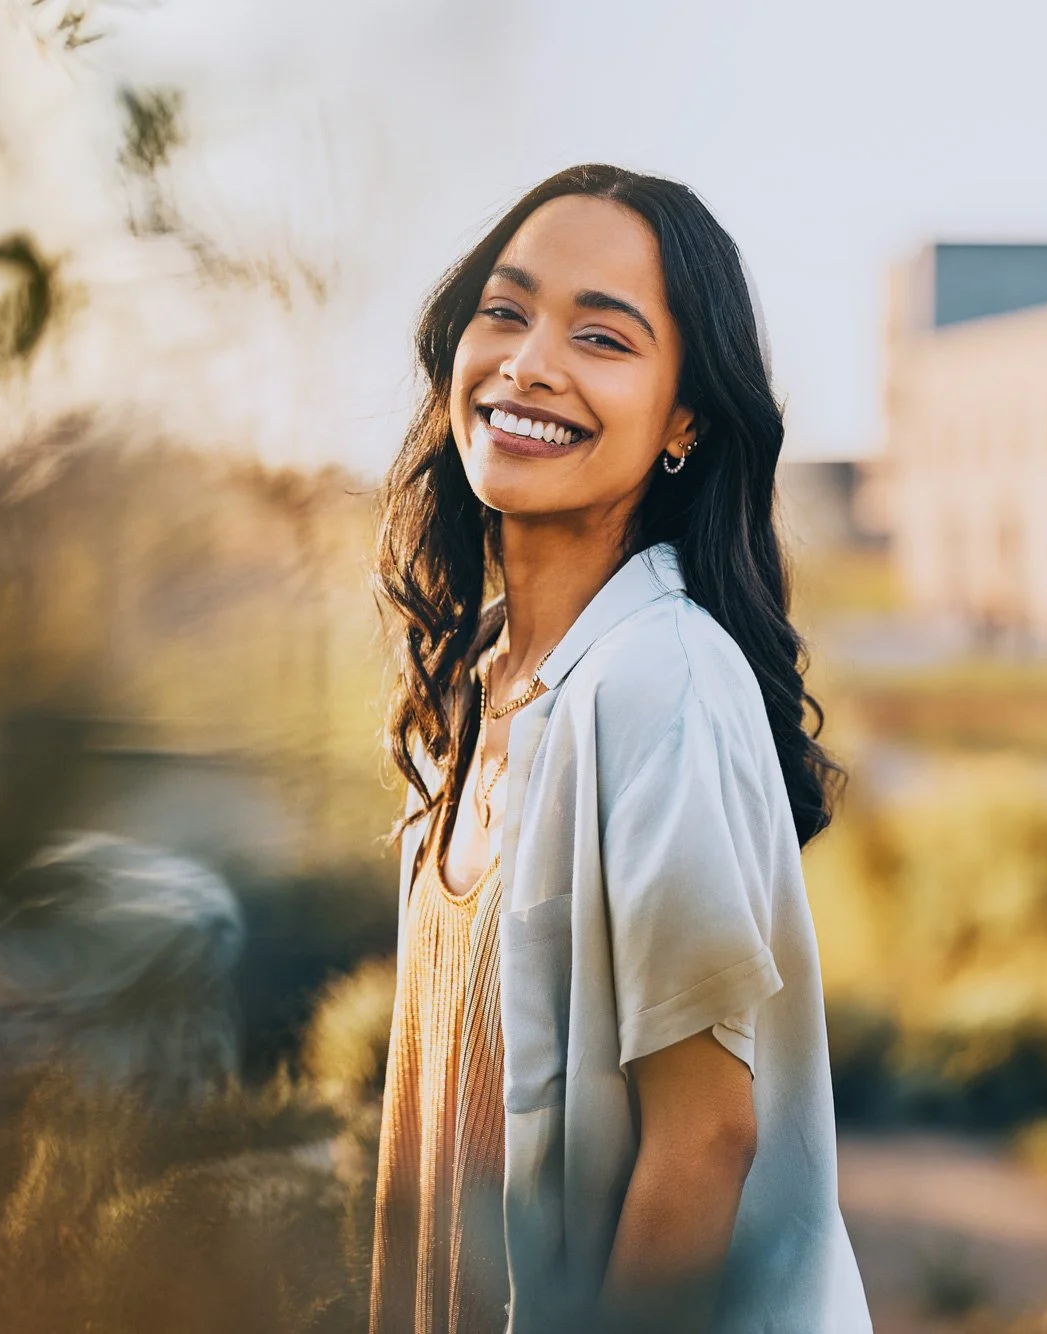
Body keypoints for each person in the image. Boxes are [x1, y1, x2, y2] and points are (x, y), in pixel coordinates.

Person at [368, 162, 872, 1334]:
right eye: (505, 311)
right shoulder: (475, 684)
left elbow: (704, 1137)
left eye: (601, 337)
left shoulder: (661, 678)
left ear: (684, 417)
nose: (530, 362)